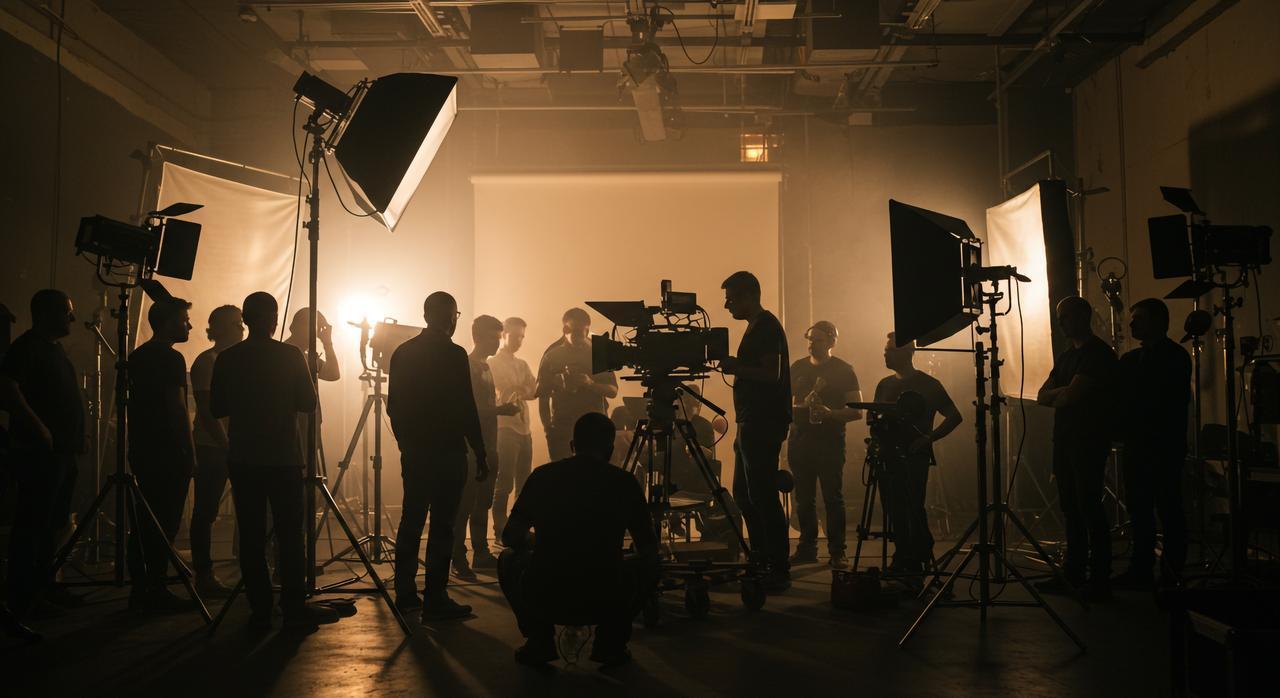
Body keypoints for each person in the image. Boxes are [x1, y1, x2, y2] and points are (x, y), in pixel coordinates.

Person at [211, 292, 340, 629]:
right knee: (290, 534)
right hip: (283, 456)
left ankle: (260, 608)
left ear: (246, 318)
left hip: (244, 456)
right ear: (273, 319)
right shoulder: (290, 355)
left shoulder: (228, 358)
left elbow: (217, 408)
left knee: (252, 535)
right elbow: (309, 403)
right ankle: (294, 607)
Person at [499, 412, 658, 667]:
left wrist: (540, 542)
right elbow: (648, 547)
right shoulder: (624, 482)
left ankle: (540, 641)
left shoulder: (542, 476)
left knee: (508, 559)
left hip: (548, 594)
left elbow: (509, 537)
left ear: (573, 446)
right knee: (650, 564)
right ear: (610, 449)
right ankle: (611, 644)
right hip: (605, 595)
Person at [388, 292, 488, 621]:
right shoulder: (454, 354)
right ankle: (436, 596)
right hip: (448, 451)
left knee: (411, 521)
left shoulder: (403, 352)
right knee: (443, 525)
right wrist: (480, 449)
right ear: (450, 318)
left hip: (417, 451)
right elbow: (465, 406)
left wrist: (406, 443)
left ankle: (405, 594)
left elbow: (394, 407)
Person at [0, 290, 84, 639]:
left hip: (61, 451)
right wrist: (40, 429)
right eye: (67, 312)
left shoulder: (52, 348)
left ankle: (43, 589)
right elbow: (7, 388)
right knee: (33, 525)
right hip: (40, 453)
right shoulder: (26, 348)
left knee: (53, 522)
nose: (72, 319)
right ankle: (23, 598)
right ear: (47, 313)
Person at [1037, 296, 1119, 600]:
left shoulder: (1098, 355)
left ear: (1083, 316)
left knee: (1089, 507)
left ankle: (1099, 579)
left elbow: (1068, 397)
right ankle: (1074, 573)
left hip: (1088, 440)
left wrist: (1062, 393)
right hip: (1066, 439)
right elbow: (1042, 396)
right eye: (1059, 318)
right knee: (1071, 508)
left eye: (1066, 317)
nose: (1061, 323)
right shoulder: (1066, 357)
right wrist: (1064, 392)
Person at [719, 271, 793, 590]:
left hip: (763, 421)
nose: (726, 305)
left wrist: (737, 368)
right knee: (744, 494)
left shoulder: (766, 327)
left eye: (732, 298)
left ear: (750, 296)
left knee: (761, 494)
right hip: (750, 420)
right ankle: (760, 555)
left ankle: (776, 563)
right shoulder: (756, 327)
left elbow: (772, 374)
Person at [126, 297, 199, 612]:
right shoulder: (172, 359)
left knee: (145, 520)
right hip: (169, 450)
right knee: (165, 521)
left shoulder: (138, 356)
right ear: (169, 322)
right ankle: (154, 590)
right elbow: (177, 407)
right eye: (184, 320)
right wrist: (189, 450)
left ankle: (142, 587)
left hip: (143, 447)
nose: (190, 325)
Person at [1114, 298, 1191, 589]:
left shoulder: (1175, 358)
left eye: (1139, 319)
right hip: (1140, 445)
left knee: (1168, 509)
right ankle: (1142, 570)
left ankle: (1170, 573)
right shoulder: (1135, 360)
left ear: (1158, 322)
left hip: (1162, 445)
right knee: (1140, 509)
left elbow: (1164, 401)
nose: (1131, 324)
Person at [873, 333, 962, 578]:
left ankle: (917, 554)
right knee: (892, 508)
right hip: (888, 456)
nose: (885, 354)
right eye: (886, 349)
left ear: (906, 353)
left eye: (890, 350)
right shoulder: (884, 384)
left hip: (914, 457)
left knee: (911, 506)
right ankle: (903, 555)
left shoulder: (928, 385)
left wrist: (928, 438)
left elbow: (955, 416)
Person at [787, 321, 864, 569]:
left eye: (817, 340)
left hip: (829, 443)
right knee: (803, 499)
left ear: (831, 342)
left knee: (832, 498)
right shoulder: (797, 368)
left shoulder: (844, 370)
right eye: (809, 339)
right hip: (799, 442)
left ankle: (837, 551)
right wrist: (800, 408)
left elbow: (857, 412)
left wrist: (830, 413)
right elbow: (785, 405)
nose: (811, 344)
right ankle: (807, 547)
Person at [452, 315, 519, 578]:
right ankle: (458, 558)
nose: (498, 341)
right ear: (478, 337)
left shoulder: (486, 366)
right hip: (471, 447)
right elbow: (468, 410)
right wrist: (501, 409)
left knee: (483, 503)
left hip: (490, 445)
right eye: (494, 336)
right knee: (465, 504)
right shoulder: (467, 366)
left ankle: (480, 553)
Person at [188, 305, 244, 596]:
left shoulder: (237, 361)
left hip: (235, 445)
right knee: (206, 510)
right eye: (236, 324)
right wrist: (226, 444)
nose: (242, 328)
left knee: (248, 507)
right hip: (213, 448)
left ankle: (247, 564)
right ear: (218, 328)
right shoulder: (207, 362)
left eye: (242, 323)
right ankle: (204, 574)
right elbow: (208, 412)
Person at [536, 308, 618, 461]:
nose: (584, 337)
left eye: (586, 331)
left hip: (594, 427)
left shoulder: (598, 354)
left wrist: (590, 383)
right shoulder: (552, 356)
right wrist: (548, 429)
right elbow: (542, 396)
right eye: (579, 332)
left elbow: (613, 391)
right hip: (562, 428)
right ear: (565, 330)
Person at [488, 316, 537, 543]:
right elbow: (506, 389)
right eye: (515, 336)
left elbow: (534, 390)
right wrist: (521, 388)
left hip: (524, 428)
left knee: (524, 483)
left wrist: (521, 388)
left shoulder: (522, 364)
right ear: (504, 334)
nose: (519, 341)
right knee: (505, 481)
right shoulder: (493, 362)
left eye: (522, 337)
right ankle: (500, 530)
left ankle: (517, 529)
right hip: (505, 427)